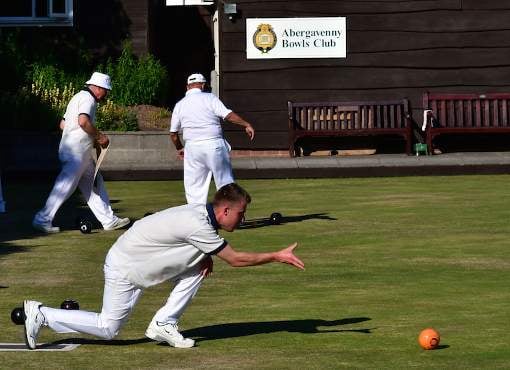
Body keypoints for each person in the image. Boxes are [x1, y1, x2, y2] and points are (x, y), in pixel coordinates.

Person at [22, 183, 304, 350]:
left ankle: (163, 323)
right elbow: (235, 259)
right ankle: (41, 314)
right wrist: (276, 256)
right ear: (225, 210)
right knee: (108, 328)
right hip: (125, 267)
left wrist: (203, 255)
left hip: (136, 261)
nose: (242, 220)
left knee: (201, 264)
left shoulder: (201, 217)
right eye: (241, 214)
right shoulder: (199, 225)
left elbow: (191, 245)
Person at [32, 72, 130, 233]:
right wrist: (99, 137)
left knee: (94, 184)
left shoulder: (78, 97)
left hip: (77, 151)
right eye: (106, 90)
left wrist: (84, 137)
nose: (106, 94)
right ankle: (42, 219)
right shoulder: (88, 99)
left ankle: (109, 220)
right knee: (64, 187)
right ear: (98, 87)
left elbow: (63, 124)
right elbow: (83, 121)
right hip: (76, 152)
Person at [169, 73, 255, 205]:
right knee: (225, 182)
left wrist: (180, 148)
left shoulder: (180, 105)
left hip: (192, 148)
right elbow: (227, 115)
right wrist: (246, 124)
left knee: (194, 188)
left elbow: (173, 134)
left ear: (188, 87)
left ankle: (197, 218)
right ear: (203, 85)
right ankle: (232, 215)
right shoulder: (210, 98)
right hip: (213, 144)